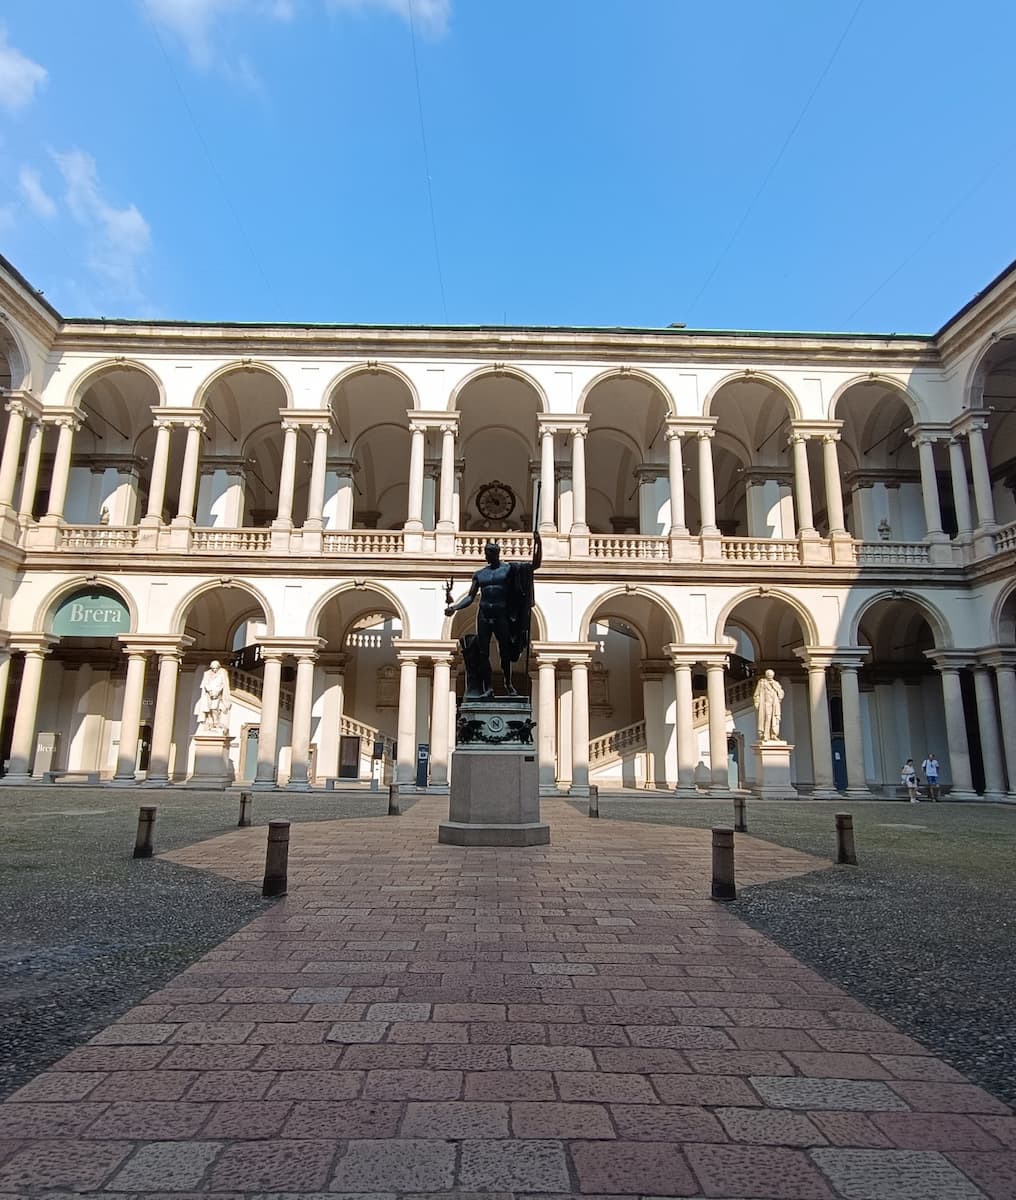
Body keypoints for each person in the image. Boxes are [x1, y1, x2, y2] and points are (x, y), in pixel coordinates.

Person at [445, 533, 542, 697]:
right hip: (483, 614)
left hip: (501, 614)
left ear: (496, 554)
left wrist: (539, 545)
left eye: (488, 553)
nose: (486, 556)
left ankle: (508, 684)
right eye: (485, 553)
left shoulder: (509, 570)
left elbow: (534, 566)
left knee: (504, 651)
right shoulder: (479, 574)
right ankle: (488, 687)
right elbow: (470, 596)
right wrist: (455, 608)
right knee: (483, 653)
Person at [195, 660, 232, 733]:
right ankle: (210, 722)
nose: (214, 670)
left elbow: (224, 684)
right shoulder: (207, 673)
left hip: (218, 693)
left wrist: (217, 692)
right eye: (213, 668)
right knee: (207, 708)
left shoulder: (223, 672)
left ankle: (216, 722)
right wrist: (210, 691)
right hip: (208, 693)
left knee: (214, 707)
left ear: (219, 667)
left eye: (216, 668)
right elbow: (205, 683)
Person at [753, 669, 784, 741]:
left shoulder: (776, 683)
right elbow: (756, 694)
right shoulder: (762, 683)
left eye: (771, 675)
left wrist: (776, 688)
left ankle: (774, 734)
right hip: (766, 704)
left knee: (775, 719)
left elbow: (781, 694)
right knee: (767, 718)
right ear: (766, 675)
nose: (770, 676)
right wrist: (757, 702)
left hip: (774, 704)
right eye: (769, 675)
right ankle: (766, 735)